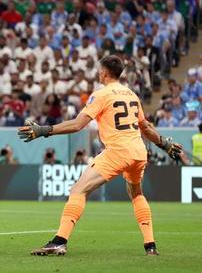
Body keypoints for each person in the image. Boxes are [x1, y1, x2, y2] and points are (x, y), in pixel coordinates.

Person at [18, 55, 182, 256]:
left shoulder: (101, 94)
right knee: (137, 194)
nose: (97, 73)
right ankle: (150, 246)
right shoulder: (131, 95)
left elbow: (78, 124)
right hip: (139, 151)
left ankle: (59, 241)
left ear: (104, 72)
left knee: (78, 190)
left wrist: (45, 130)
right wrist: (165, 144)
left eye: (98, 70)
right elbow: (146, 128)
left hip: (117, 151)